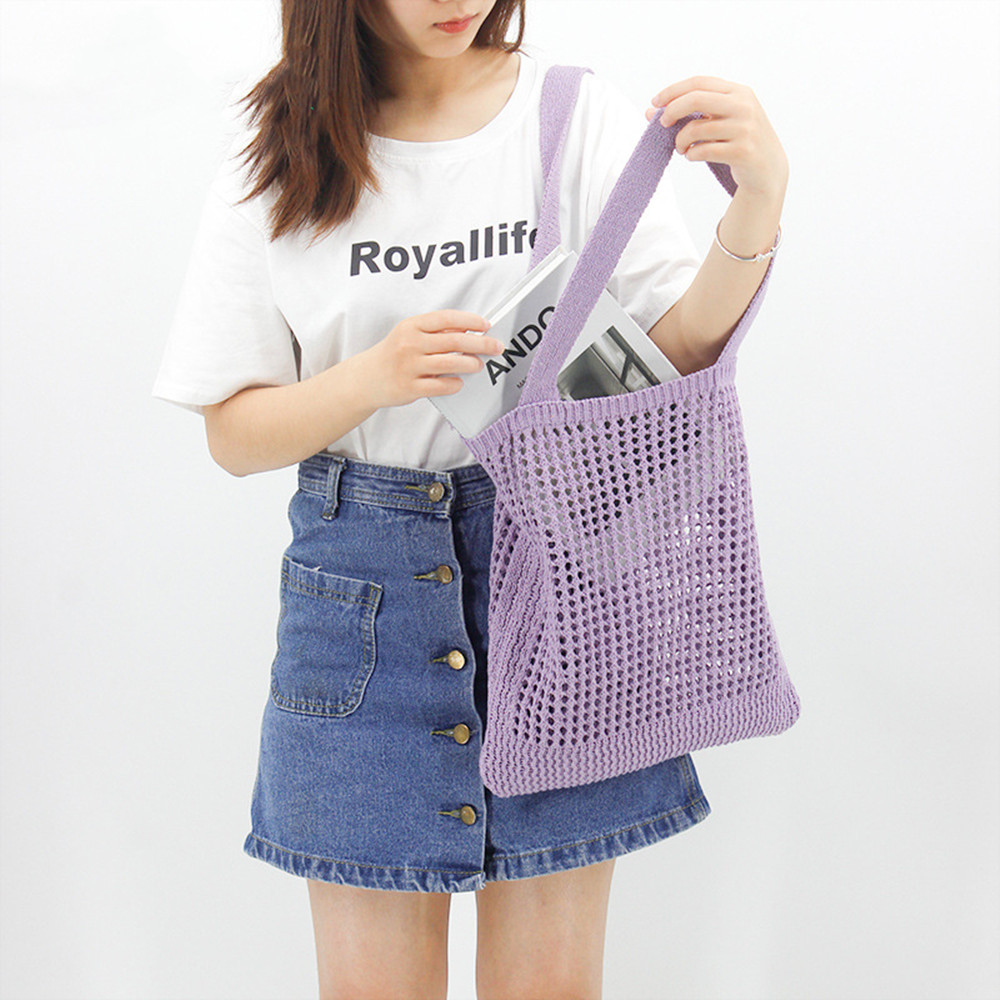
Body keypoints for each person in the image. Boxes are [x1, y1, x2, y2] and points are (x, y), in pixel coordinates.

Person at [151, 1, 715, 996]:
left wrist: (756, 213)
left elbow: (674, 352)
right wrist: (371, 378)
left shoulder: (567, 114)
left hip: (556, 595)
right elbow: (232, 435)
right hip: (362, 612)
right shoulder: (279, 146)